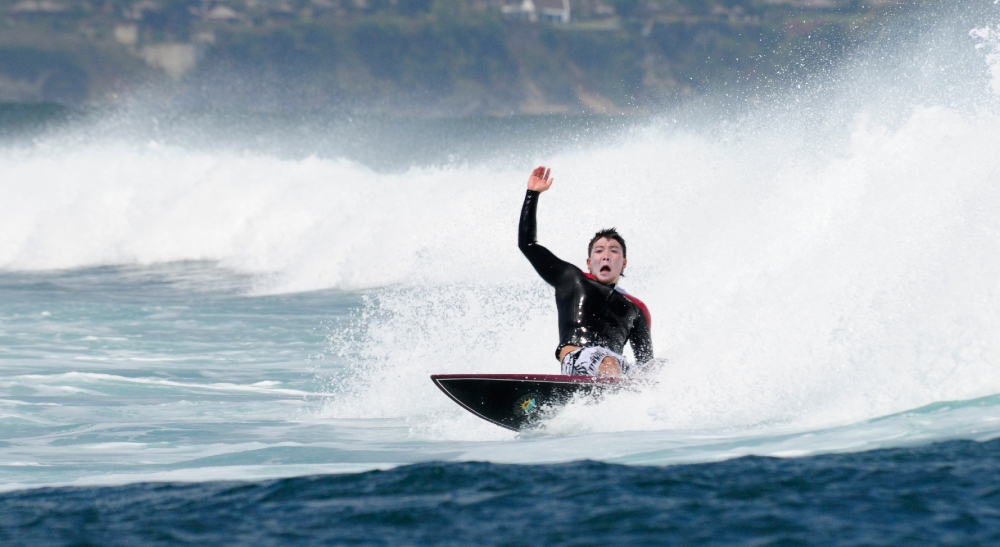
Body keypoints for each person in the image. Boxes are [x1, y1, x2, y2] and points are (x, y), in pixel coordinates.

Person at [518, 165, 653, 377]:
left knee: (662, 367)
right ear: (589, 262)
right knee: (606, 360)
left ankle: (624, 400)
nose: (606, 255)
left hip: (616, 369)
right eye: (599, 251)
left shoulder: (636, 309)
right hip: (579, 358)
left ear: (624, 262)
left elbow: (646, 364)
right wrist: (532, 194)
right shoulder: (572, 280)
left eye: (613, 251)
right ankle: (614, 397)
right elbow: (528, 245)